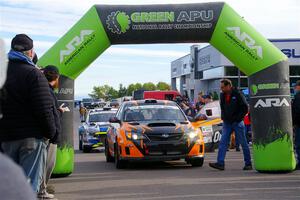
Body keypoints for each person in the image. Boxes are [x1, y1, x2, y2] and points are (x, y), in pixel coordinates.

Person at [0, 34, 56, 192]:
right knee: (28, 186)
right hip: (31, 138)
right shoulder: (34, 74)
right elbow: (44, 108)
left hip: (6, 139)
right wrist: (50, 132)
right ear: (31, 53)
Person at [209, 79, 252, 170]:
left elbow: (245, 107)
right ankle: (220, 163)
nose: (221, 89)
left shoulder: (238, 94)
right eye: (221, 87)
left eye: (223, 87)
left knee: (243, 143)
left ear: (229, 86)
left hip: (237, 123)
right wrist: (223, 117)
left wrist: (238, 119)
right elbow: (223, 108)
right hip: (227, 123)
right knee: (223, 142)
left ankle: (248, 163)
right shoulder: (222, 95)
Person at [38, 65, 66, 199]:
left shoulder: (44, 90)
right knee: (47, 166)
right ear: (56, 78)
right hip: (49, 136)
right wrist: (53, 133)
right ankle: (41, 192)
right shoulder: (48, 91)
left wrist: (58, 111)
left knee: (46, 166)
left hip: (47, 134)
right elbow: (48, 114)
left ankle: (41, 190)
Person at [292, 80, 300, 170]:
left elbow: (296, 110)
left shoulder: (298, 96)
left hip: (299, 124)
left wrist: (294, 122)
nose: (294, 88)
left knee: (298, 144)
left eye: (296, 86)